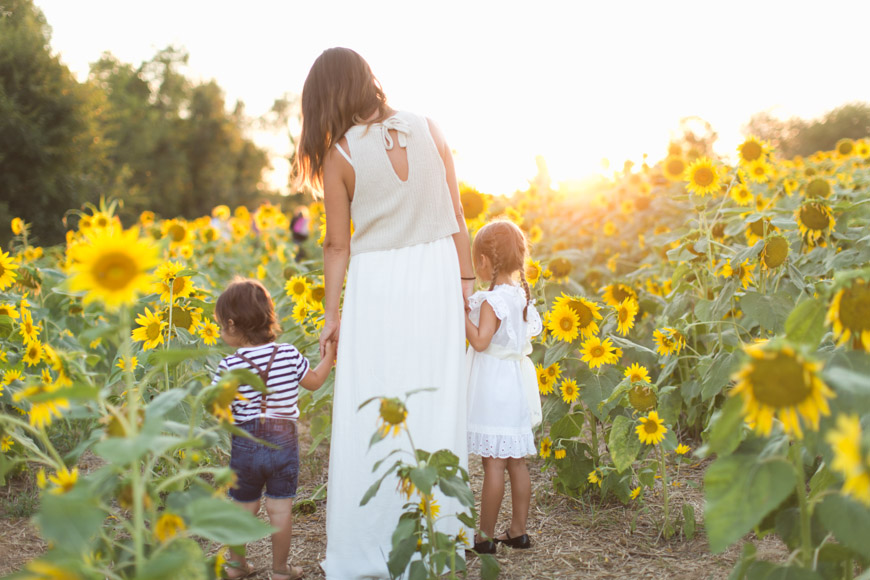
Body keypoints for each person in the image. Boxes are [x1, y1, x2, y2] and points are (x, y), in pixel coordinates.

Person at [296, 47, 475, 579]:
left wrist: (331, 315)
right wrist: (466, 283)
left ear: (325, 98)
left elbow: (335, 245)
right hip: (438, 273)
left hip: (378, 283)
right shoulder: (430, 127)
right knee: (436, 398)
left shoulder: (339, 155)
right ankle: (439, 537)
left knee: (374, 406)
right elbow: (457, 212)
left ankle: (372, 541)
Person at [212, 278, 336, 580]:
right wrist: (330, 354)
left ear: (232, 324)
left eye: (219, 325)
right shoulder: (289, 354)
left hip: (246, 444)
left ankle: (236, 566)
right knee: (280, 511)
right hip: (284, 442)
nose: (219, 331)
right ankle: (281, 570)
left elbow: (218, 410)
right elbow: (315, 382)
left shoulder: (229, 366)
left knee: (242, 508)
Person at [464, 220, 542, 554]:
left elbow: (480, 341)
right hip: (517, 385)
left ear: (483, 261)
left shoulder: (491, 300)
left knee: (493, 464)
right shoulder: (522, 297)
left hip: (494, 386)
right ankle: (518, 531)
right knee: (516, 462)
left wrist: (458, 314)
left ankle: (484, 536)